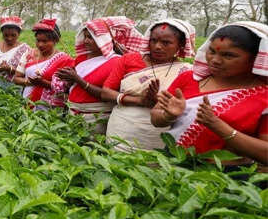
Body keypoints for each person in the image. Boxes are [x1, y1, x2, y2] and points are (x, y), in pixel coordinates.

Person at [151, 22, 268, 166]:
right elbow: (156, 117)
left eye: (228, 55)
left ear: (256, 58)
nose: (215, 60)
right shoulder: (189, 78)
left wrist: (218, 126)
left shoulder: (264, 96)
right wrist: (168, 116)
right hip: (172, 163)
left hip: (226, 177)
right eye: (212, 51)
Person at [102, 18, 195, 151]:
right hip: (122, 128)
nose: (158, 46)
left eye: (166, 42)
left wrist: (158, 100)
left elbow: (186, 106)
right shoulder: (129, 60)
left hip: (158, 133)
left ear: (180, 45)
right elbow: (106, 92)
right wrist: (140, 100)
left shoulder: (185, 70)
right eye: (154, 40)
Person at [53, 17, 145, 133]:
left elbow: (107, 94)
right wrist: (66, 79)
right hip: (73, 113)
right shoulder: (82, 58)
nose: (86, 41)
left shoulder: (116, 62)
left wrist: (77, 79)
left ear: (104, 39)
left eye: (91, 37)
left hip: (96, 118)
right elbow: (73, 85)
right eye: (85, 37)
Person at [13, 19, 73, 108]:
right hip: (27, 103)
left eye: (45, 41)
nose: (40, 45)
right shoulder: (29, 54)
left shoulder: (64, 59)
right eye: (38, 41)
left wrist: (43, 83)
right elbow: (16, 78)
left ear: (55, 40)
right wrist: (29, 82)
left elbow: (66, 88)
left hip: (51, 108)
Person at [0, 16, 32, 89]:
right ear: (2, 33)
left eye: (13, 35)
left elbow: (26, 73)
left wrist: (10, 69)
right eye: (6, 35)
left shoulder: (25, 49)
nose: (9, 38)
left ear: (19, 34)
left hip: (13, 89)